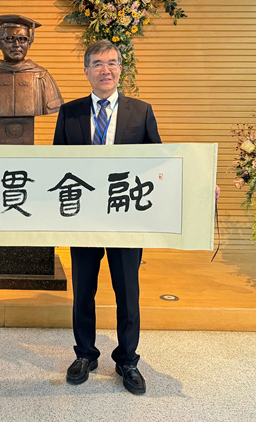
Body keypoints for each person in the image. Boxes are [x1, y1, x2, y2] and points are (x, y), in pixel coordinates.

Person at [52, 39, 161, 395]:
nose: (105, 70)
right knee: (83, 290)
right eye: (98, 63)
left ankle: (127, 360)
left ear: (121, 69)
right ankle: (85, 354)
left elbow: (160, 164)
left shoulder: (140, 112)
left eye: (112, 62)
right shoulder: (69, 113)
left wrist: (200, 186)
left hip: (125, 219)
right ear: (86, 71)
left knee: (127, 292)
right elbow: (56, 165)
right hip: (83, 217)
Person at [0, 14, 63, 118]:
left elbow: (55, 117)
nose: (17, 44)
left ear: (29, 44)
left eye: (22, 39)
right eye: (10, 38)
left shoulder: (42, 77)